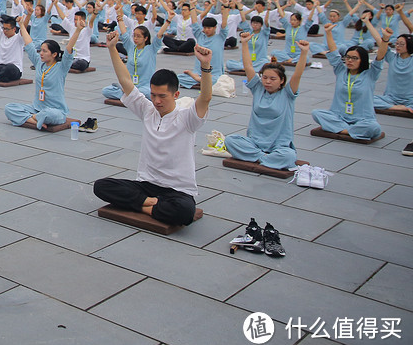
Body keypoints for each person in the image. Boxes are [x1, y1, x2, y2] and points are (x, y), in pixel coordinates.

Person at [93, 30, 212, 226]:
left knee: (184, 211)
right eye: (154, 95)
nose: (156, 101)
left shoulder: (187, 118)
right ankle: (149, 205)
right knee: (101, 186)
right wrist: (112, 48)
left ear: (176, 95)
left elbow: (205, 97)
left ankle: (140, 205)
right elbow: (126, 82)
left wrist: (205, 67)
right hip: (146, 186)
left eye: (162, 96)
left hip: (177, 190)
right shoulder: (148, 111)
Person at [224, 32, 310, 169]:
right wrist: (245, 43)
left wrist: (304, 53)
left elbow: (298, 74)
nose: (267, 82)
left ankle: (259, 157)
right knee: (230, 141)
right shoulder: (258, 89)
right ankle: (265, 158)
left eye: (273, 79)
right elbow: (248, 67)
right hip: (255, 143)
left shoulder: (287, 93)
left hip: (279, 145)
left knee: (289, 156)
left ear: (282, 81)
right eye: (265, 78)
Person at [5, 4, 82, 129]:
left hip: (56, 111)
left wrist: (78, 30)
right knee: (9, 108)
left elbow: (68, 50)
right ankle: (35, 120)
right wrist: (21, 26)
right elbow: (29, 44)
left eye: (44, 51)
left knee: (48, 115)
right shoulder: (39, 63)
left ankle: (32, 118)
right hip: (36, 108)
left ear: (54, 54)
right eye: (41, 50)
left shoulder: (61, 67)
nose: (41, 53)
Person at [311, 16, 386, 141]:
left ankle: (341, 129)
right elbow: (334, 52)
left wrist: (385, 40)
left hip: (362, 119)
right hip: (339, 116)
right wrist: (328, 32)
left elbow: (381, 56)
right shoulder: (341, 70)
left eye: (354, 58)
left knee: (374, 128)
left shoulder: (370, 74)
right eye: (348, 57)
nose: (350, 61)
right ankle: (349, 131)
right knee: (316, 113)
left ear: (363, 60)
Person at [102, 13, 171, 102]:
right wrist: (120, 20)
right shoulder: (131, 47)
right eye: (134, 36)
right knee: (106, 91)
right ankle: (131, 95)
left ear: (145, 38)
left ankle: (129, 95)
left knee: (145, 93)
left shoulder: (151, 49)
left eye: (138, 36)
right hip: (129, 86)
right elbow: (124, 34)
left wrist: (168, 21)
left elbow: (159, 35)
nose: (135, 38)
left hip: (144, 87)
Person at [375, 31, 413, 114]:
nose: (397, 46)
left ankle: (392, 107)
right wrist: (367, 22)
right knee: (366, 99)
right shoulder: (392, 58)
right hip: (390, 99)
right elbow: (380, 41)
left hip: (410, 101)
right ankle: (398, 108)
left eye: (401, 44)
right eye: (396, 43)